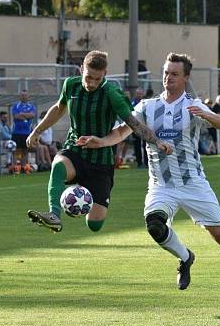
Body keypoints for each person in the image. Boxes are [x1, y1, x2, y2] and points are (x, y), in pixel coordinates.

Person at [77, 53, 220, 296]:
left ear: (185, 77)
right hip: (161, 185)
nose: (168, 78)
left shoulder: (192, 105)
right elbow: (121, 132)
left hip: (193, 183)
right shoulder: (147, 107)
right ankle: (185, 257)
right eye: (165, 72)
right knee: (154, 225)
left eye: (174, 74)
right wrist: (100, 142)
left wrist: (207, 115)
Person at [25, 50, 171, 234]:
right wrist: (37, 131)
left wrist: (156, 141)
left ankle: (81, 191)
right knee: (58, 166)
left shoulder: (112, 93)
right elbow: (58, 108)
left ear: (105, 75)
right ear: (81, 70)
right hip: (75, 149)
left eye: (97, 79)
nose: (92, 83)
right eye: (88, 77)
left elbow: (133, 123)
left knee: (94, 225)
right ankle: (54, 215)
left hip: (101, 161)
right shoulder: (70, 85)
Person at [11, 89, 36, 164]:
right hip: (17, 132)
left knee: (25, 150)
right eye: (22, 95)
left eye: (25, 95)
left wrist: (21, 114)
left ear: (28, 96)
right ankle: (15, 167)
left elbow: (32, 115)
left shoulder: (32, 106)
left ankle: (24, 167)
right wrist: (26, 116)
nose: (24, 97)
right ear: (20, 97)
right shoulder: (16, 106)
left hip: (27, 132)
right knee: (16, 150)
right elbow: (16, 116)